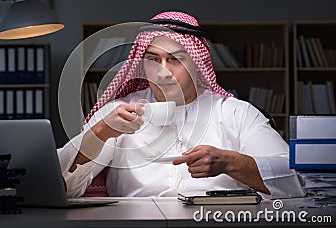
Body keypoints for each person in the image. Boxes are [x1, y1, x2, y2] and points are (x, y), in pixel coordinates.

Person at [58, 11, 304, 199]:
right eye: (153, 59)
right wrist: (100, 132)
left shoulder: (236, 113)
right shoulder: (117, 113)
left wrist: (229, 162)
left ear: (197, 64)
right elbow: (62, 187)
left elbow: (297, 179)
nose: (163, 72)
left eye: (175, 60)